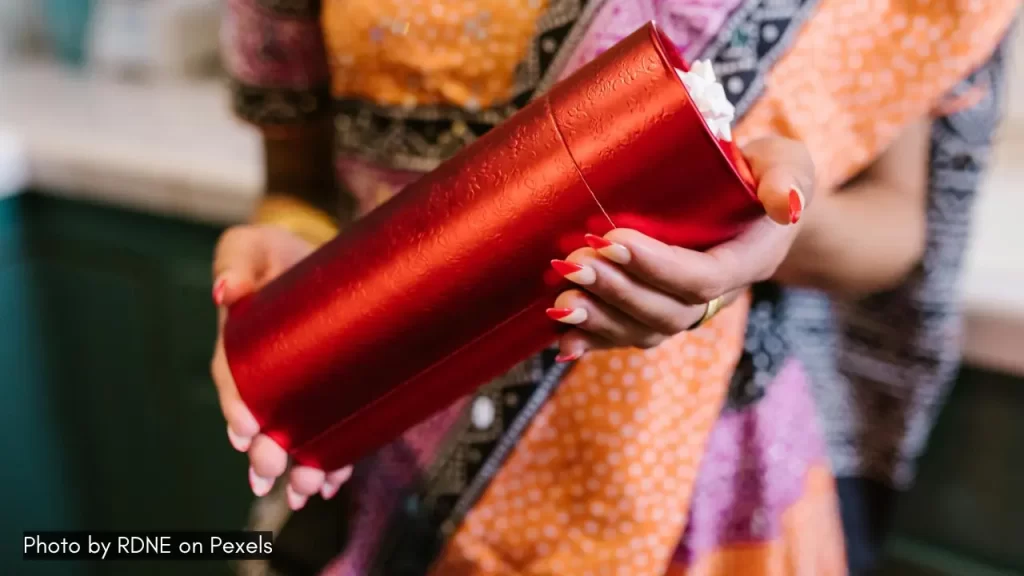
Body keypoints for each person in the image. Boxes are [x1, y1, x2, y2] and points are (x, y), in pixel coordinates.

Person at [210, 1, 1018, 574]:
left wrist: (757, 223)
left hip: (702, 477)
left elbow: (896, 226)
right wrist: (293, 267)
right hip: (398, 435)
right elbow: (299, 188)